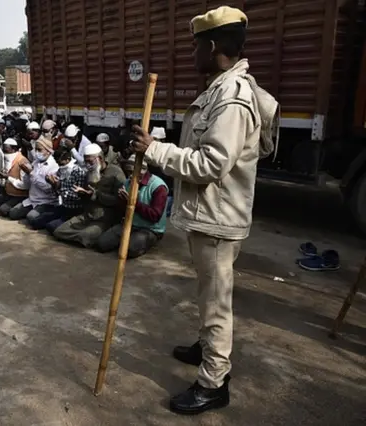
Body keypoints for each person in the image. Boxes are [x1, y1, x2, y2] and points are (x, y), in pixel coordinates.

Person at [131, 6, 278, 415]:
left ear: (212, 46)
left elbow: (213, 163)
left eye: (196, 46)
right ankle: (207, 348)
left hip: (218, 219)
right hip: (211, 214)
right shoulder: (219, 88)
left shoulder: (231, 98)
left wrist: (156, 150)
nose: (192, 54)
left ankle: (214, 382)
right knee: (208, 294)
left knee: (216, 303)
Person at [53, 143, 126, 247]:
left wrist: (95, 195)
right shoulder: (89, 173)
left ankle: (86, 237)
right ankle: (83, 238)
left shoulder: (116, 173)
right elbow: (86, 196)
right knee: (59, 231)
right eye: (85, 161)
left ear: (100, 158)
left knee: (85, 235)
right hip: (86, 216)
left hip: (104, 219)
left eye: (90, 161)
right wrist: (82, 194)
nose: (87, 165)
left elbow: (119, 200)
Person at [96, 156, 168, 258]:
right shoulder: (127, 183)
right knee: (102, 244)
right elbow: (122, 210)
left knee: (129, 250)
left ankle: (147, 241)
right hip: (130, 223)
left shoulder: (158, 186)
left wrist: (133, 202)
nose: (130, 176)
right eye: (128, 172)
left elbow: (155, 216)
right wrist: (121, 201)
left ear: (143, 170)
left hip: (150, 229)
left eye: (132, 172)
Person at [1, 136, 59, 221]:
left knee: (31, 217)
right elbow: (28, 183)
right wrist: (26, 174)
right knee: (13, 213)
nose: (36, 152)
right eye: (36, 149)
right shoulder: (35, 162)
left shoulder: (54, 167)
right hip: (32, 199)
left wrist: (31, 173)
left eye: (39, 150)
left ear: (48, 151)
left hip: (45, 201)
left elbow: (48, 189)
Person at [31, 146, 86, 231]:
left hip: (74, 209)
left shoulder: (78, 172)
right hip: (63, 206)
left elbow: (77, 196)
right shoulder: (60, 171)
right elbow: (55, 193)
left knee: (51, 226)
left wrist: (59, 188)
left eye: (61, 163)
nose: (60, 166)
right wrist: (52, 184)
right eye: (58, 163)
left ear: (68, 159)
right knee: (35, 222)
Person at [0, 138, 30, 213]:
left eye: (6, 150)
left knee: (4, 210)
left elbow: (25, 185)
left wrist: (8, 178)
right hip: (7, 193)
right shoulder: (7, 159)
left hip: (19, 195)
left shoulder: (22, 162)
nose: (4, 153)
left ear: (14, 149)